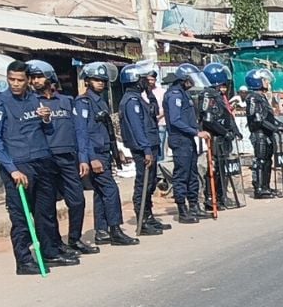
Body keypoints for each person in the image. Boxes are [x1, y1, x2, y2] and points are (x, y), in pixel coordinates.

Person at [0, 60, 79, 273]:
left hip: (43, 161)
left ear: (28, 81)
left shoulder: (35, 100)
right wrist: (12, 169)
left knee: (46, 212)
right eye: (11, 79)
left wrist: (45, 119)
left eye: (20, 80)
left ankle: (50, 252)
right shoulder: (1, 102)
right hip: (18, 165)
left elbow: (47, 132)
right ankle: (24, 261)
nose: (15, 84)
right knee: (21, 218)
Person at [27, 60, 92, 257]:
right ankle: (55, 243)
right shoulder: (31, 102)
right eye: (33, 78)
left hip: (68, 159)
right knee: (46, 207)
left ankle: (74, 238)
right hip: (45, 160)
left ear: (50, 77)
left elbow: (79, 130)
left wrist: (83, 157)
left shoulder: (67, 101)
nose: (36, 81)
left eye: (39, 76)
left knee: (77, 201)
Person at [75, 62, 139, 247]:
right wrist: (90, 157)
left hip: (104, 152)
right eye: (96, 80)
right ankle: (116, 230)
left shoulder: (101, 101)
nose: (101, 83)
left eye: (103, 80)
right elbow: (81, 133)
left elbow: (107, 131)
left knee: (101, 193)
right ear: (87, 81)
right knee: (110, 191)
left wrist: (116, 151)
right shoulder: (84, 102)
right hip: (95, 155)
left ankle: (102, 231)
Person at [118, 61, 168, 236]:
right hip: (142, 148)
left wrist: (149, 93)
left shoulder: (141, 98)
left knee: (151, 182)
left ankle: (149, 216)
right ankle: (142, 220)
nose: (146, 81)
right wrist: (146, 150)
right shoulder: (131, 101)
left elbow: (154, 112)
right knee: (143, 183)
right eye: (142, 79)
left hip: (150, 144)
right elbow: (138, 128)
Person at [164, 63, 212, 223]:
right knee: (182, 176)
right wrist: (196, 132)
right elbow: (175, 120)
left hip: (189, 140)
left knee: (192, 174)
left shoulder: (184, 94)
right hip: (180, 140)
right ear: (184, 79)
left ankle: (194, 206)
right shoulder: (174, 95)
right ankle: (182, 210)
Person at [199, 62, 243, 210]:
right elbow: (208, 120)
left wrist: (235, 131)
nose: (224, 88)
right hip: (215, 138)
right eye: (222, 85)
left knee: (223, 169)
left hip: (224, 138)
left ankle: (222, 195)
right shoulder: (207, 95)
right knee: (214, 169)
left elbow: (228, 116)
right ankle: (211, 198)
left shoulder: (220, 97)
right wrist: (225, 132)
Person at [244, 69, 280, 199]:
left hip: (267, 133)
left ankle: (266, 186)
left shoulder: (262, 97)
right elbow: (257, 119)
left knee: (267, 161)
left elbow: (267, 116)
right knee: (260, 160)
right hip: (259, 134)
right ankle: (259, 188)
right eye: (264, 80)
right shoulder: (253, 97)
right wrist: (273, 128)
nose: (267, 82)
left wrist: (278, 125)